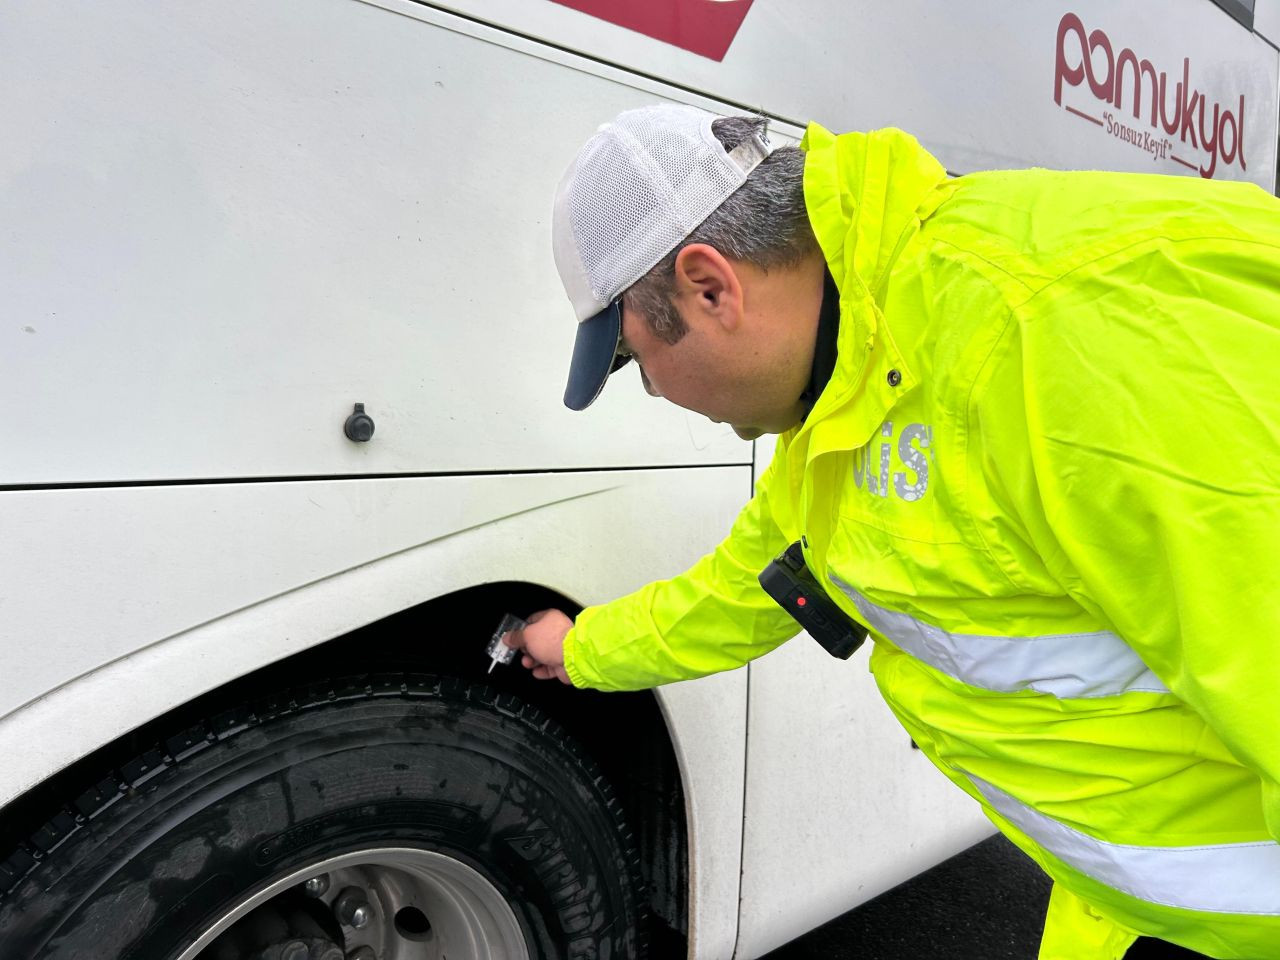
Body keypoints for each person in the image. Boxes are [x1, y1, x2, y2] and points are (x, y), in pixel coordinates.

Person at [506, 103, 1280, 959]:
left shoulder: (1055, 328)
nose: (656, 392)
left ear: (710, 285)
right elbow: (736, 590)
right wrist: (580, 648)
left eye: (635, 361)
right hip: (1132, 914)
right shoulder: (843, 405)